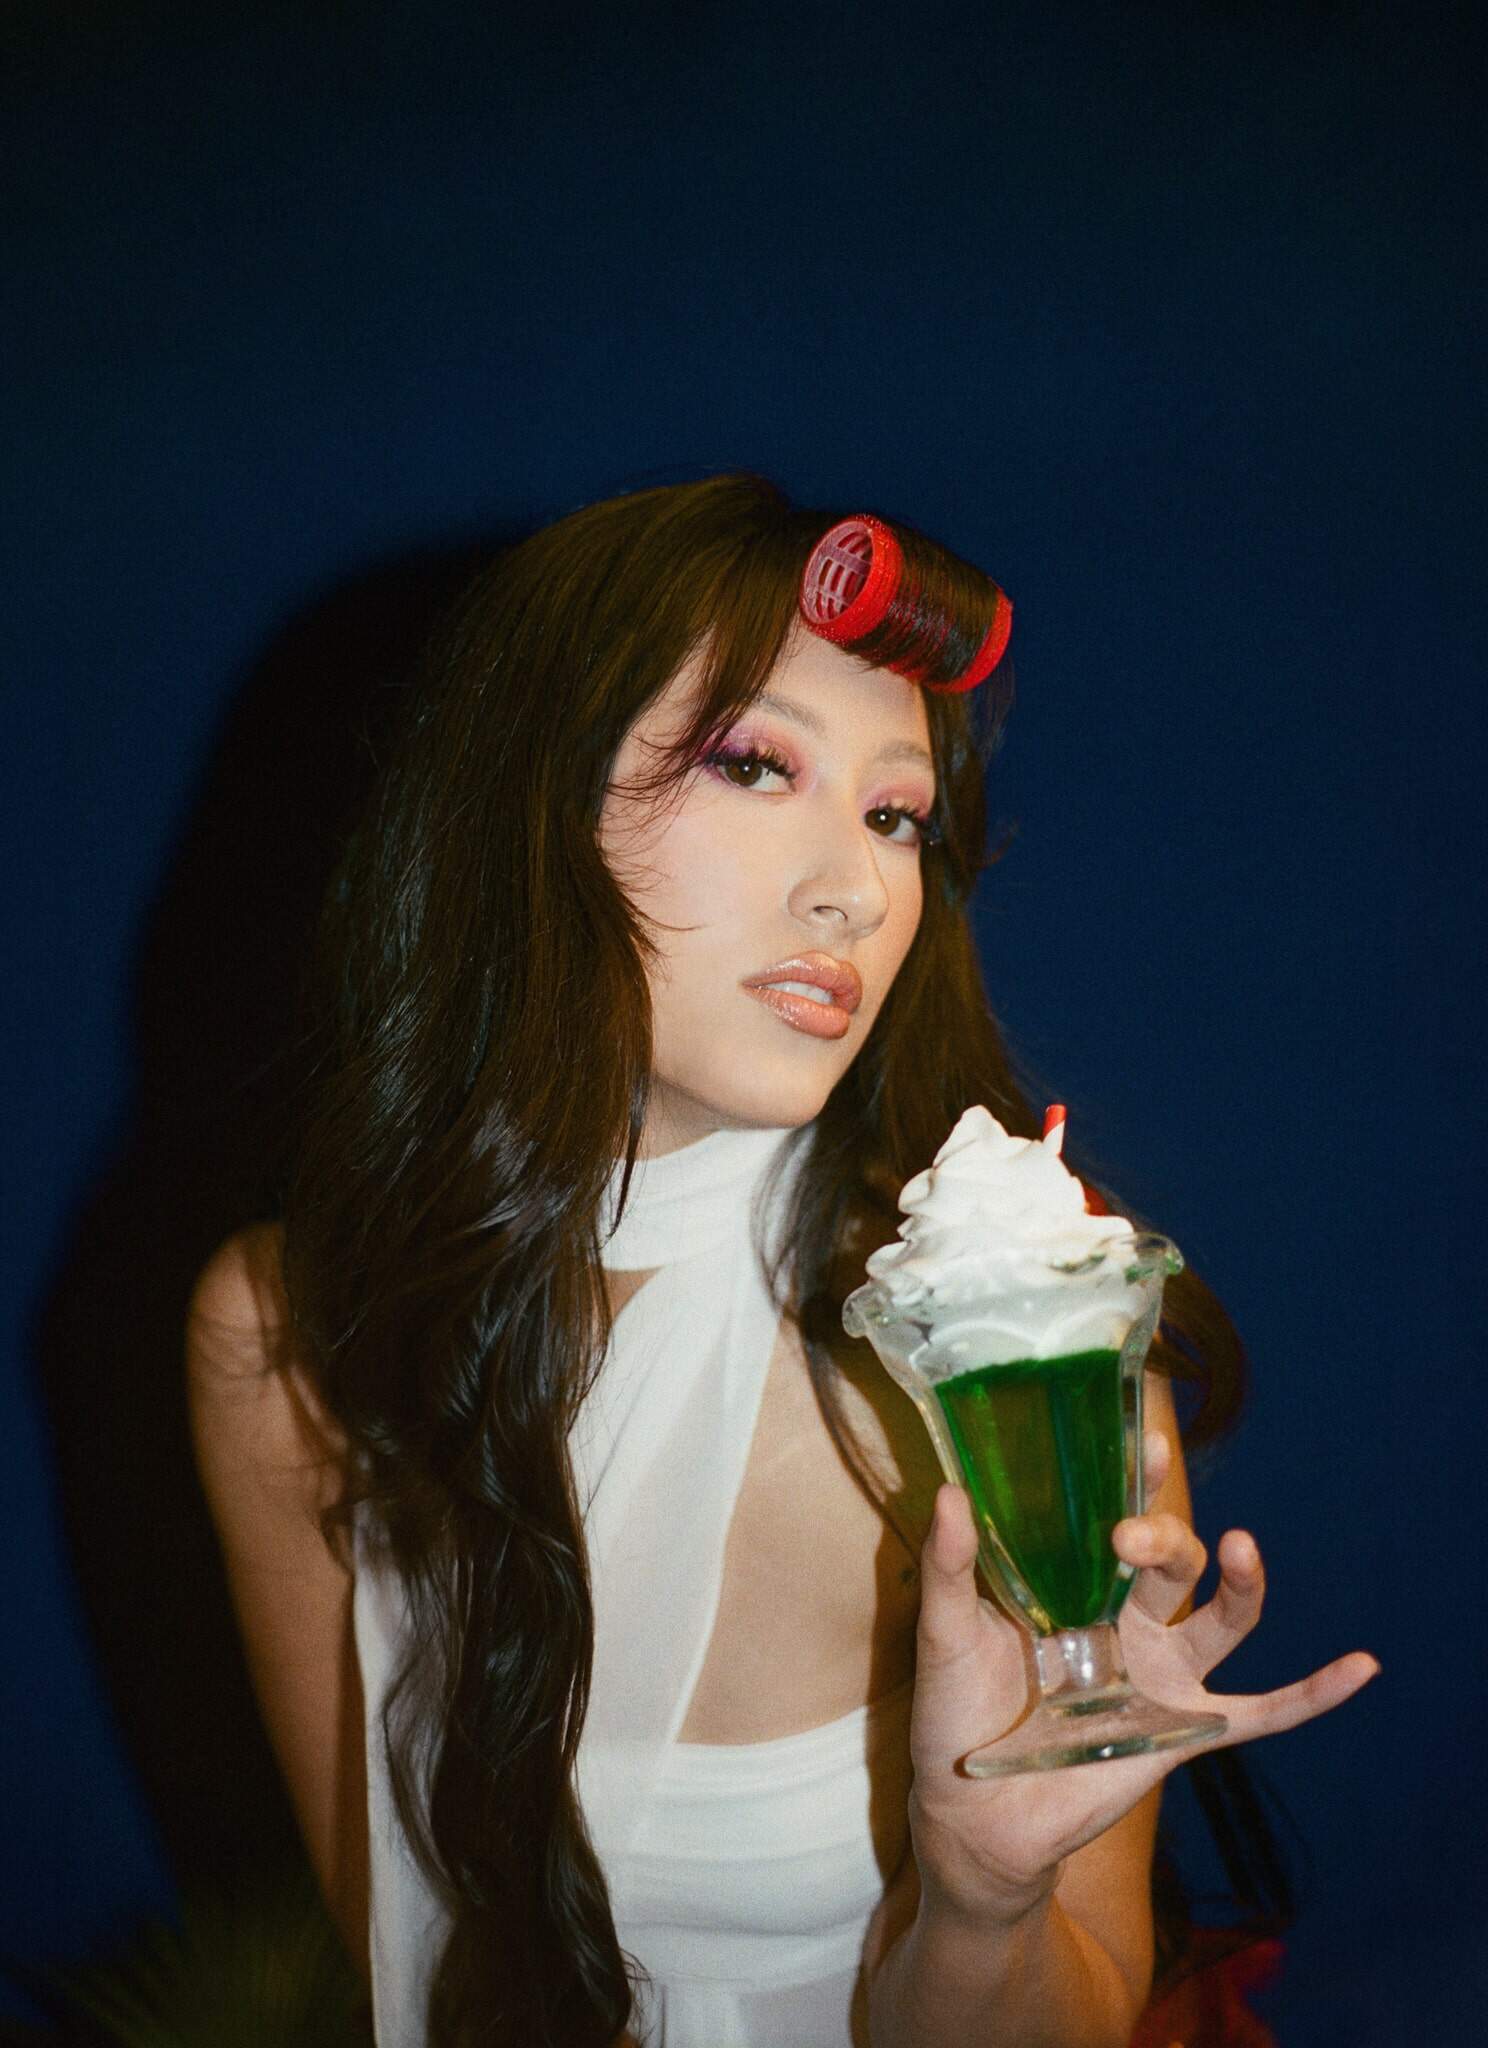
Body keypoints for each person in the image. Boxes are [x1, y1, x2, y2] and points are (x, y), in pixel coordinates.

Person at [185, 474, 1377, 2048]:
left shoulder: (1015, 1358)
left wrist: (984, 1897)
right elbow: (409, 1963)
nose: (858, 888)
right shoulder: (292, 1338)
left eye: (896, 816)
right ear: (527, 803)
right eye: (756, 766)